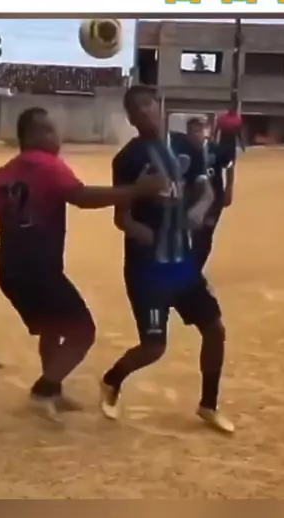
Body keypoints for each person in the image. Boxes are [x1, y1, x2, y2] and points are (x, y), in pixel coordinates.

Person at [0, 106, 167, 426]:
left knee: (51, 327)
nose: (56, 136)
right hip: (40, 270)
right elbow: (81, 196)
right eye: (50, 129)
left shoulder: (4, 172)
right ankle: (43, 390)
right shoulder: (49, 165)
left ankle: (54, 389)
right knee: (83, 331)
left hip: (12, 272)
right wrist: (137, 190)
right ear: (33, 135)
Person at [99, 85, 234, 434]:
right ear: (130, 118)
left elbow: (205, 190)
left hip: (182, 263)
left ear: (159, 105)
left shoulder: (185, 146)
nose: (144, 111)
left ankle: (208, 405)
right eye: (136, 108)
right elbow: (121, 217)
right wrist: (139, 230)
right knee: (154, 347)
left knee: (215, 330)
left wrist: (199, 210)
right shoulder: (128, 160)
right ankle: (112, 380)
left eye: (148, 103)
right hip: (147, 268)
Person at [186, 115, 234, 270]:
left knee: (205, 235)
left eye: (199, 130)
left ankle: (196, 268)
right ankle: (191, 267)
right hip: (191, 200)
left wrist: (229, 188)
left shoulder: (216, 149)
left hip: (214, 200)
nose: (196, 135)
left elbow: (229, 165)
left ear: (206, 131)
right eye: (192, 132)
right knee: (193, 234)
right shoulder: (184, 151)